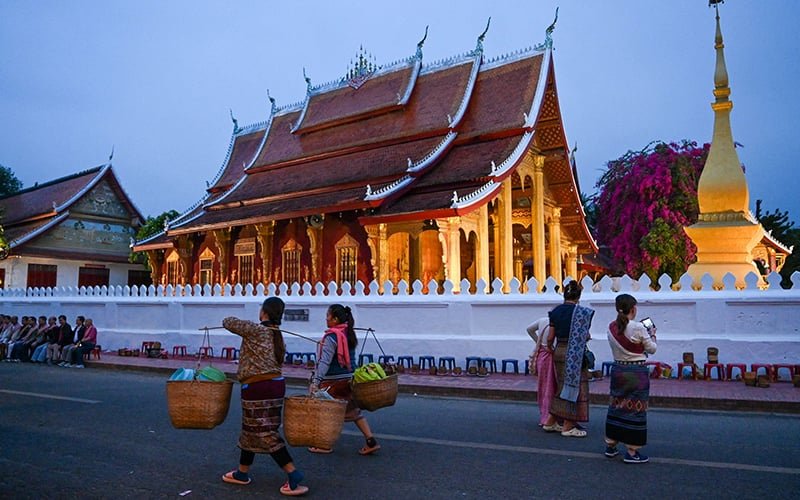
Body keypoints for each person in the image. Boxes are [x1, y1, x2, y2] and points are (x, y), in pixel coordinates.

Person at [220, 297, 308, 496]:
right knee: (252, 429)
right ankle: (242, 473)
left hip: (258, 386)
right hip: (275, 385)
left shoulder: (258, 330)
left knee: (265, 432)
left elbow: (228, 322)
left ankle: (292, 473)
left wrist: (250, 324)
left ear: (265, 312)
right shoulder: (277, 334)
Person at [308, 304, 380, 456]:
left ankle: (325, 445)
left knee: (328, 412)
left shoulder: (331, 337)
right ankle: (371, 440)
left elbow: (325, 361)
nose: (326, 318)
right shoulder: (348, 334)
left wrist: (316, 381)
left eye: (328, 315)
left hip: (333, 383)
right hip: (349, 380)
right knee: (354, 412)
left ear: (335, 319)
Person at [604, 293, 657, 464]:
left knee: (616, 405)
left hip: (618, 370)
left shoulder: (611, 327)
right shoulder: (639, 328)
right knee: (635, 408)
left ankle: (611, 445)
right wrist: (653, 335)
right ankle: (632, 451)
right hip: (636, 372)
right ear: (633, 309)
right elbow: (652, 349)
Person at [541, 280, 595, 437]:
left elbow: (550, 337)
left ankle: (550, 421)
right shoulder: (582, 313)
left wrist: (551, 348)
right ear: (578, 296)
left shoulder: (556, 312)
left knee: (562, 386)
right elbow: (585, 336)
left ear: (564, 294)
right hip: (575, 354)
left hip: (559, 350)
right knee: (574, 388)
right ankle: (568, 426)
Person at [526, 316, 557, 426]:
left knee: (543, 388)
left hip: (541, 356)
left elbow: (529, 329)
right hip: (552, 356)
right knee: (553, 388)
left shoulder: (542, 320)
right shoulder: (558, 322)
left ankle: (544, 415)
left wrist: (538, 341)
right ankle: (550, 417)